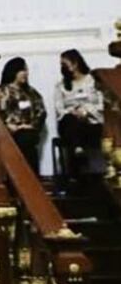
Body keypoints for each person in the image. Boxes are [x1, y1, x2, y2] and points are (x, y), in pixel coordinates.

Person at [55, 48, 106, 183]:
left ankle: (79, 161)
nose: (63, 68)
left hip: (92, 122)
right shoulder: (61, 86)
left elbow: (102, 105)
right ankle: (78, 150)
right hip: (70, 123)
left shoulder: (93, 81)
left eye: (65, 64)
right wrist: (73, 111)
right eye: (61, 65)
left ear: (75, 63)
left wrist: (86, 110)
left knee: (83, 130)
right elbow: (59, 109)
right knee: (72, 122)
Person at [0, 57, 46, 174]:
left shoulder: (31, 92)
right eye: (23, 70)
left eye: (27, 70)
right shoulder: (0, 91)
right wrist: (10, 126)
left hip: (28, 130)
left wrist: (31, 125)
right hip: (8, 132)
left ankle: (32, 178)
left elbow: (41, 111)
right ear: (14, 71)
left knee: (27, 139)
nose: (26, 73)